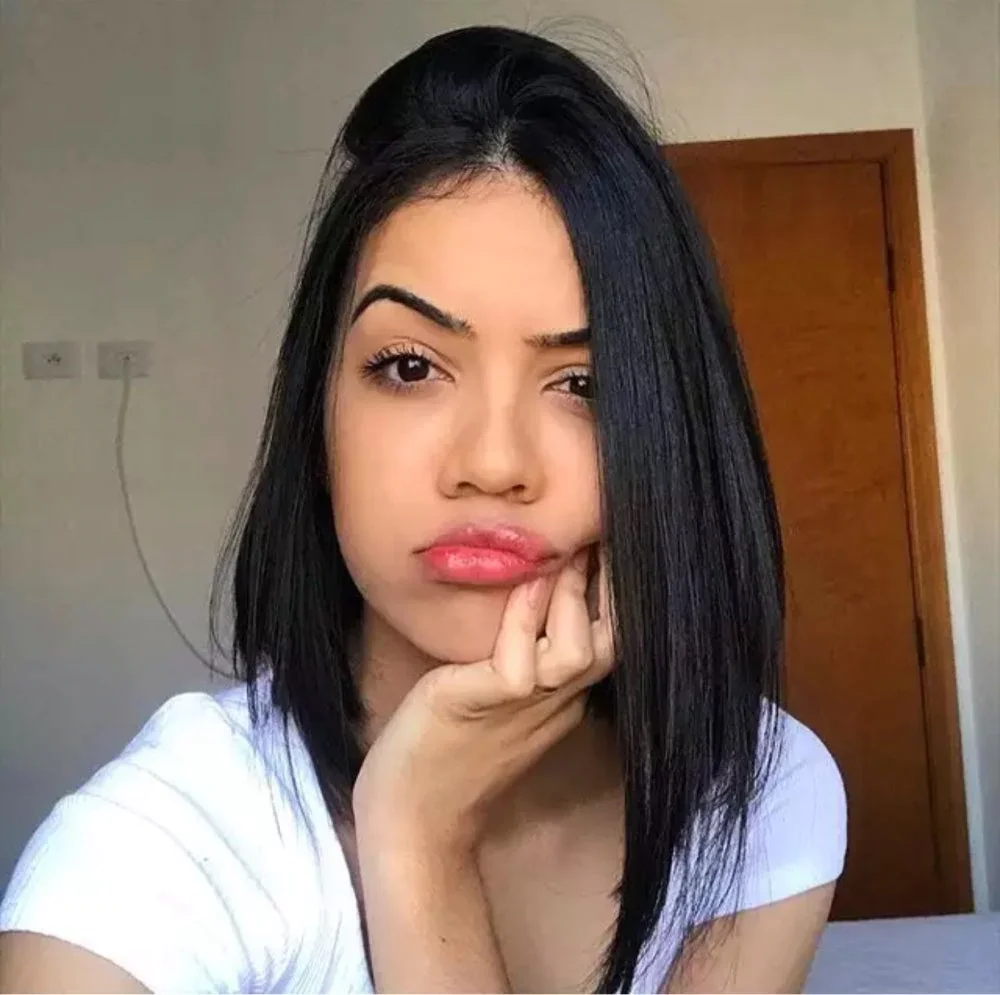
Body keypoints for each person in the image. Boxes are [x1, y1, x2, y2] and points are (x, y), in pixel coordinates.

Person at [0, 25, 846, 994]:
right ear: (318, 415)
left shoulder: (760, 793)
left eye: (584, 384)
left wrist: (419, 840)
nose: (493, 463)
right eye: (409, 366)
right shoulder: (146, 864)